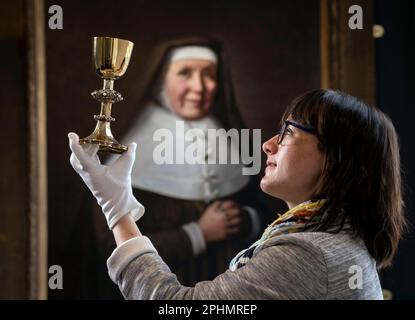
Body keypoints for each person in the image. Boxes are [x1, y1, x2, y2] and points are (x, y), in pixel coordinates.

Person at [68, 89, 406, 299]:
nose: (268, 145)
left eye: (288, 132)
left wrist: (118, 210)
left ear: (336, 158)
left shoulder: (310, 254)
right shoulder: (331, 240)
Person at [95, 37, 265, 287]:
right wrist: (199, 234)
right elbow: (110, 247)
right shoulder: (125, 153)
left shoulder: (232, 139)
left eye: (209, 74)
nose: (199, 86)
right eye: (185, 73)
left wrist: (246, 219)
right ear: (160, 82)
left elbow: (266, 210)